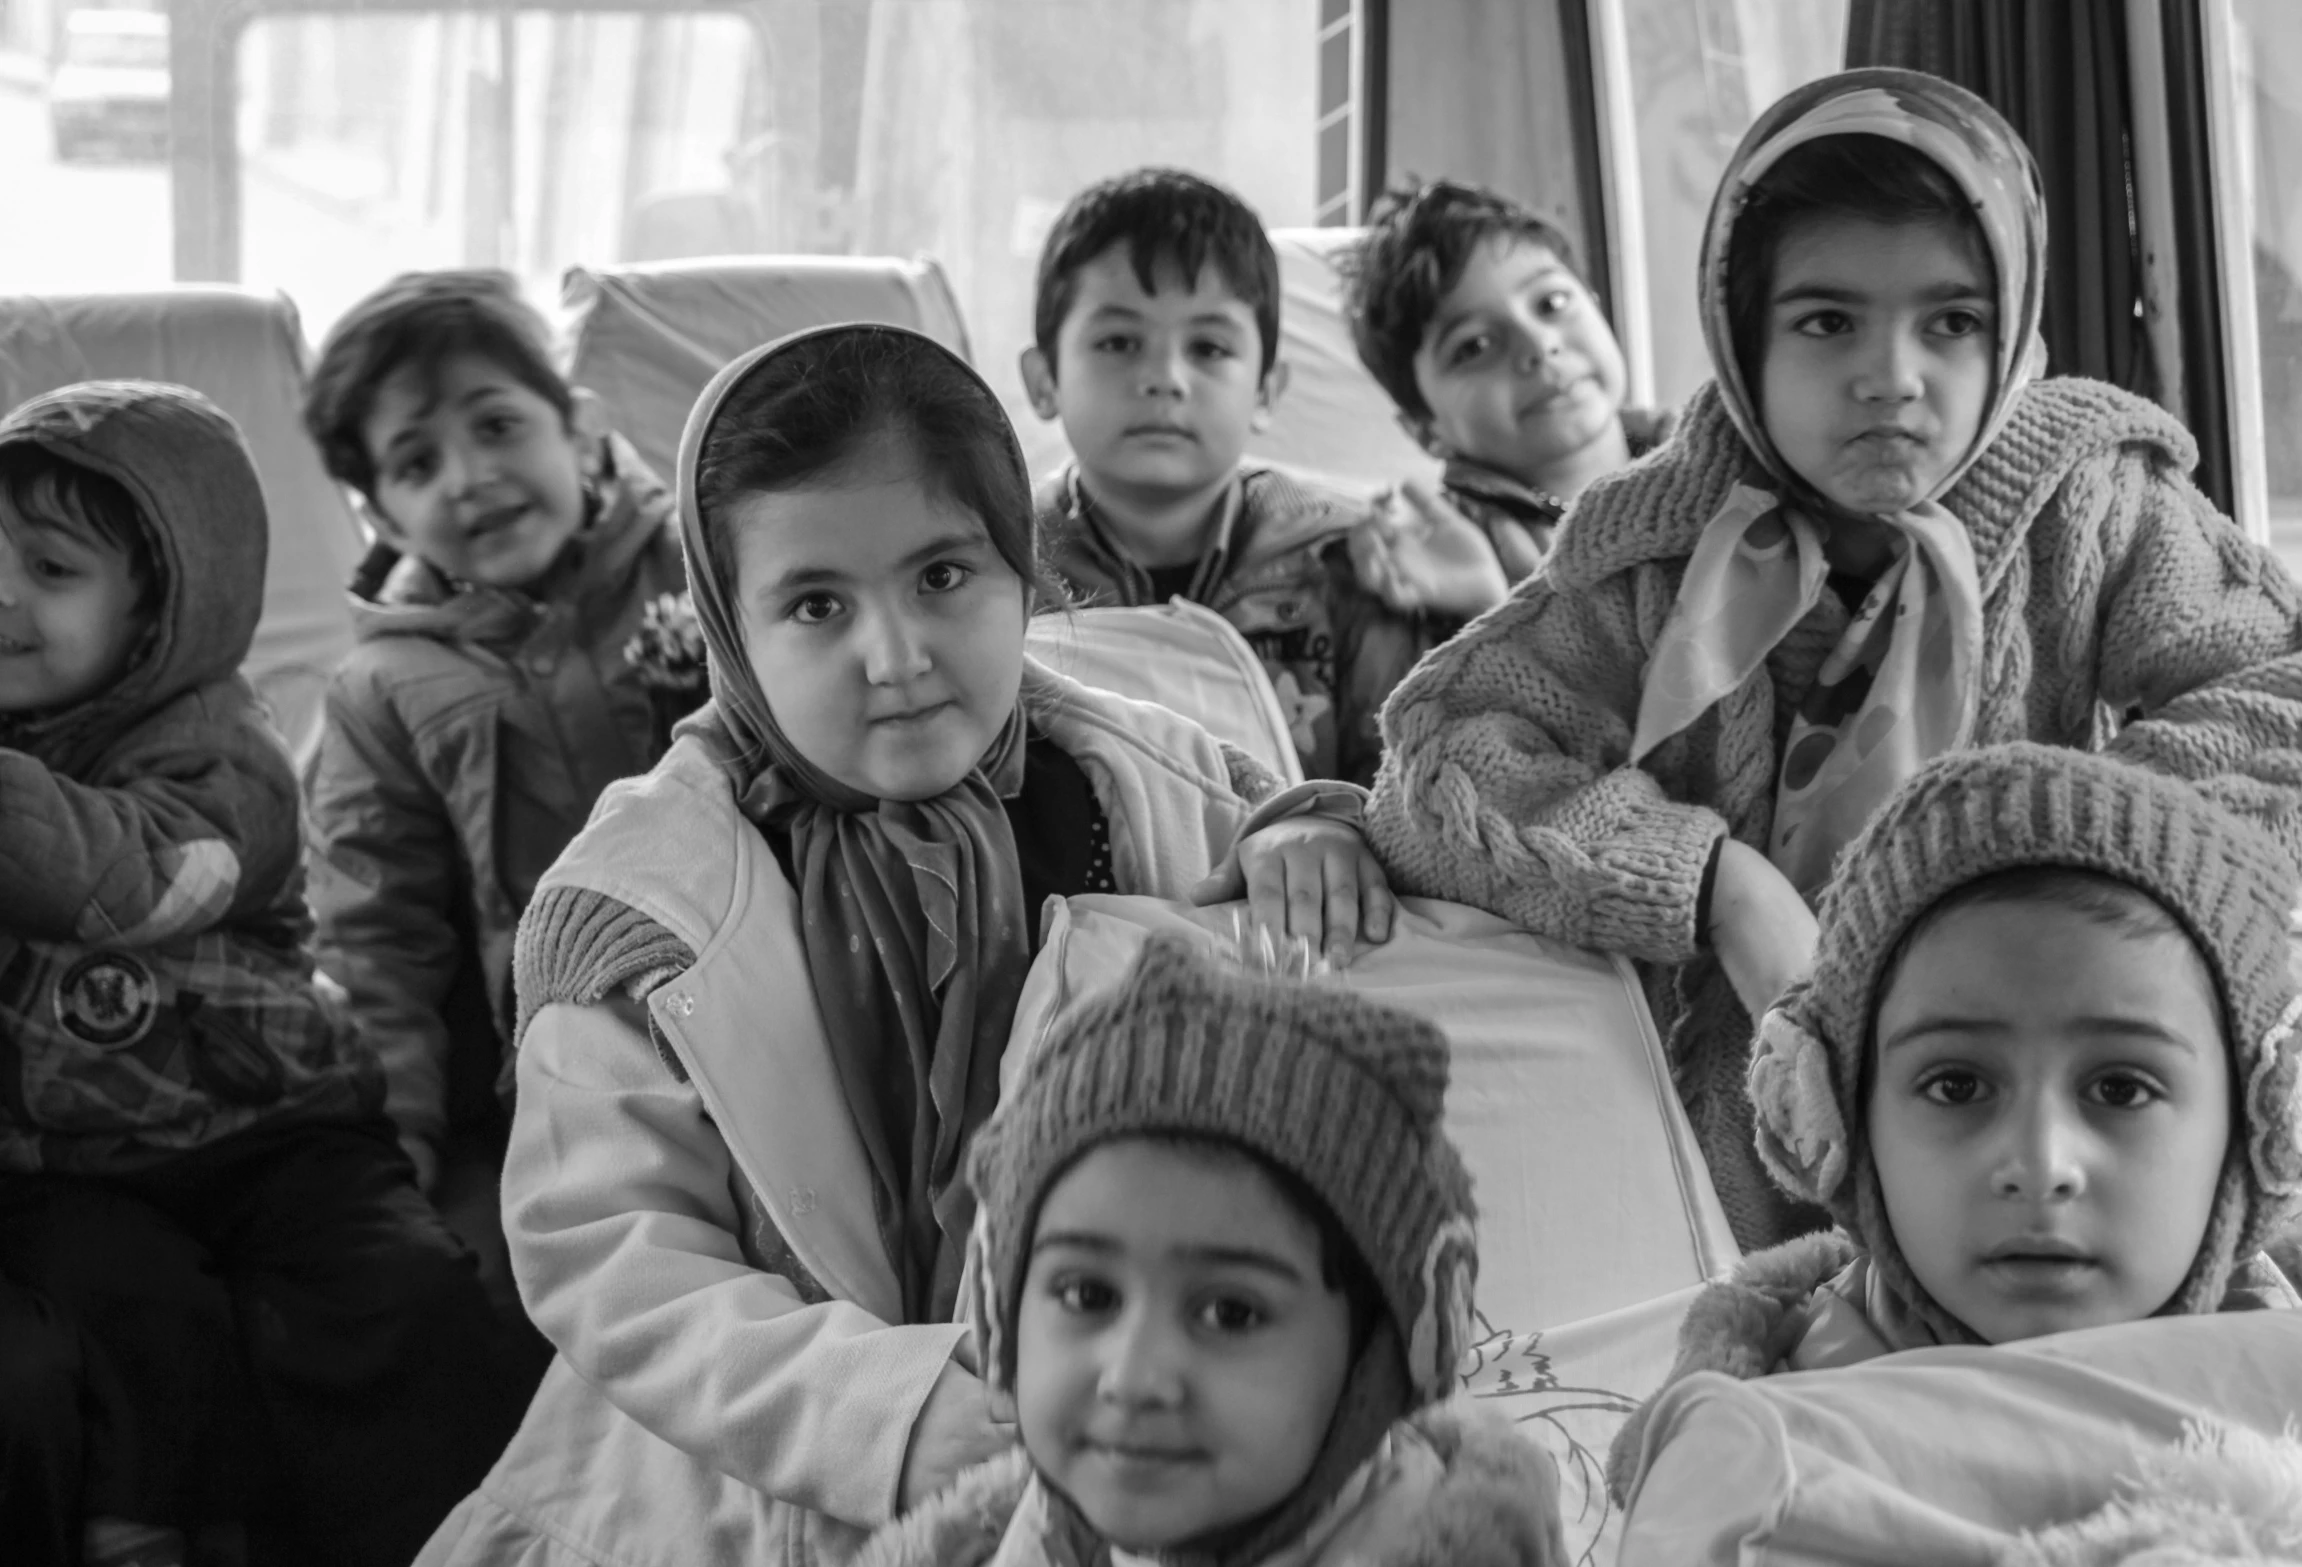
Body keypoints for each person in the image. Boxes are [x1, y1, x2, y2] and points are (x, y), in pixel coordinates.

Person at [417, 323, 1395, 1566]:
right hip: (736, 1487)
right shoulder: (630, 910)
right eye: (817, 604)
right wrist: (883, 1410)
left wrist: (1314, 833)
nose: (897, 658)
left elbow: (1324, 912)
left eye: (944, 576)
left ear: (1022, 573)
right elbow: (611, 1253)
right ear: (732, 626)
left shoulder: (1156, 780)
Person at [1364, 68, 2302, 1251]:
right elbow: (1440, 760)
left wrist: (2048, 861)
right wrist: (1711, 884)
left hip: (2071, 1126)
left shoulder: (2086, 496)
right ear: (1742, 338)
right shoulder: (1658, 546)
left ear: (2011, 331)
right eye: (1827, 322)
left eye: (1950, 322)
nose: (1892, 374)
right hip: (1765, 1163)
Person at [0, 381, 534, 1566]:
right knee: (125, 1299)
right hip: (64, 1162)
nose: (2, 595)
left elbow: (136, 885)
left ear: (162, 614)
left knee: (404, 1293)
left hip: (270, 1127)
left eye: (49, 568)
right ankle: (145, 1526)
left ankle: (448, 1536)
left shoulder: (221, 755)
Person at [1604, 741, 2302, 1504]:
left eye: (2121, 1088)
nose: (2038, 1161)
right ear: (1839, 1121)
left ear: (2261, 1122)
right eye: (1957, 1085)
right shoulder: (1771, 1428)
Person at [852, 932, 1564, 1567]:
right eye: (1087, 1294)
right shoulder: (1025, 1529)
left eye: (1231, 1311)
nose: (1132, 1377)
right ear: (998, 1310)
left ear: (1391, 1349)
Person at [300, 270, 691, 1259]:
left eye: (498, 426)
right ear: (381, 516)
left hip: (772, 1018)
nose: (468, 476)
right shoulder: (381, 686)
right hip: (555, 1087)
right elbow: (376, 938)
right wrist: (398, 1153)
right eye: (417, 461)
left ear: (579, 425)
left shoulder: (708, 564)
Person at [1021, 167, 1438, 786]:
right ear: (1044, 381)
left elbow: (1401, 786)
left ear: (1268, 391)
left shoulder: (1354, 561)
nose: (1166, 377)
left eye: (1209, 349)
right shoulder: (1001, 564)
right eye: (1117, 342)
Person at [1341, 178, 1674, 610]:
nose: (1537, 345)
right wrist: (1486, 611)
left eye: (1551, 304)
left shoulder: (1725, 456)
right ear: (1425, 430)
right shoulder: (1438, 561)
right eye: (1475, 346)